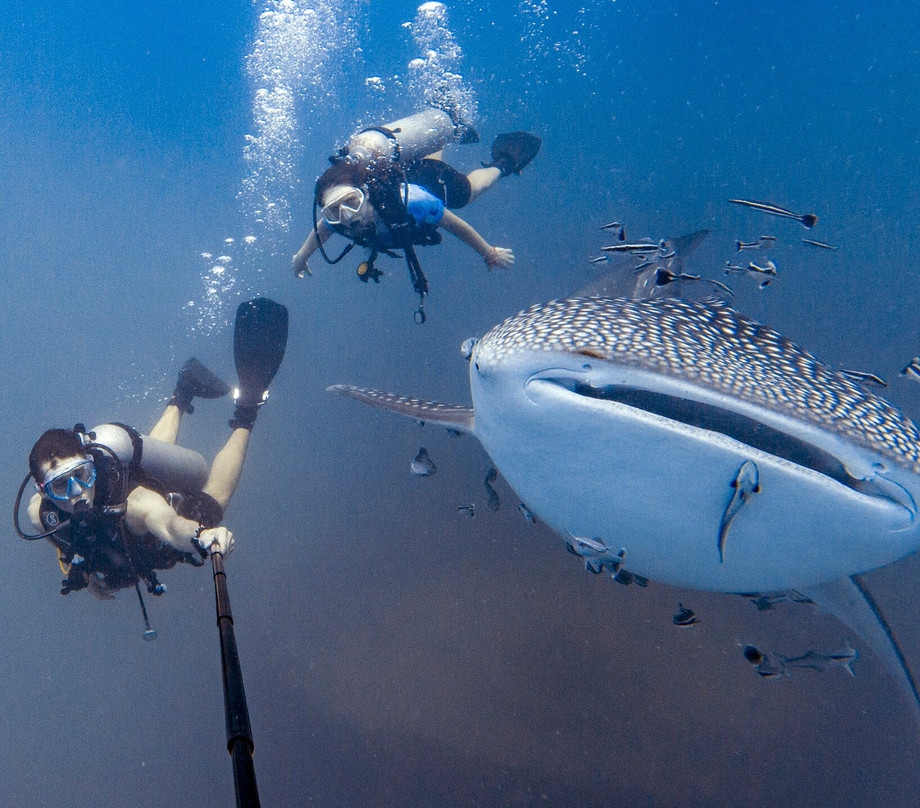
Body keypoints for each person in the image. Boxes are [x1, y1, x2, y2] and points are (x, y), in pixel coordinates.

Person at [18, 298, 289, 601]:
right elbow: (64, 543)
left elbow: (168, 525)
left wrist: (202, 537)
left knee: (210, 506)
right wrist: (83, 569)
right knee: (155, 456)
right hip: (134, 492)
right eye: (59, 485)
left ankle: (246, 411)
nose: (76, 492)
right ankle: (184, 391)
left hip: (141, 490)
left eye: (81, 475)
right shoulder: (40, 516)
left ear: (91, 466)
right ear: (44, 492)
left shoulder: (133, 503)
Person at [290, 130, 541, 281]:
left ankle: (503, 164)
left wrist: (489, 253)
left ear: (365, 193)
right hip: (406, 172)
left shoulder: (414, 202)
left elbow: (452, 224)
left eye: (352, 202)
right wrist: (301, 256)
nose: (346, 215)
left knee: (470, 192)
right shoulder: (339, 220)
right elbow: (323, 228)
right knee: (426, 158)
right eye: (334, 210)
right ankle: (439, 131)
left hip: (429, 182)